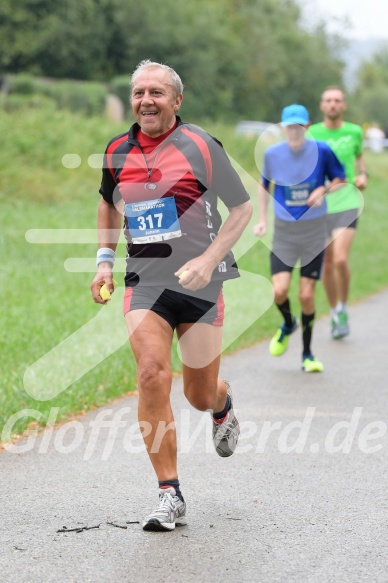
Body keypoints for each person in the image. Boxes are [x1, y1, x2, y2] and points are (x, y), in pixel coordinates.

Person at [90, 60, 252, 532]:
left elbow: (241, 208)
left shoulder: (201, 145)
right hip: (147, 280)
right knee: (151, 373)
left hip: (203, 281)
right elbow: (107, 200)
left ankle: (222, 405)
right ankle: (169, 492)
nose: (146, 101)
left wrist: (207, 262)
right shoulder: (117, 149)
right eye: (139, 92)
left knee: (198, 394)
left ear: (177, 101)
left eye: (157, 93)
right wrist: (104, 259)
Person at [253, 104, 346, 372]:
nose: (294, 131)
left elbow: (341, 178)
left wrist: (323, 189)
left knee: (306, 295)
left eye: (299, 126)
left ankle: (307, 353)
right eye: (289, 127)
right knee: (279, 290)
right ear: (283, 128)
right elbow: (264, 187)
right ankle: (288, 323)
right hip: (284, 231)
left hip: (314, 230)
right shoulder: (272, 154)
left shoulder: (323, 151)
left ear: (306, 127)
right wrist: (262, 220)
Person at [309, 87, 367, 339]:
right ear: (322, 105)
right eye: (328, 100)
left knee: (341, 259)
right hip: (321, 205)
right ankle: (334, 311)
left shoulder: (354, 131)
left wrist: (362, 174)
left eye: (337, 101)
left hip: (347, 201)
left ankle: (343, 306)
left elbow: (359, 159)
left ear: (344, 106)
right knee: (328, 263)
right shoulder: (312, 133)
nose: (333, 105)